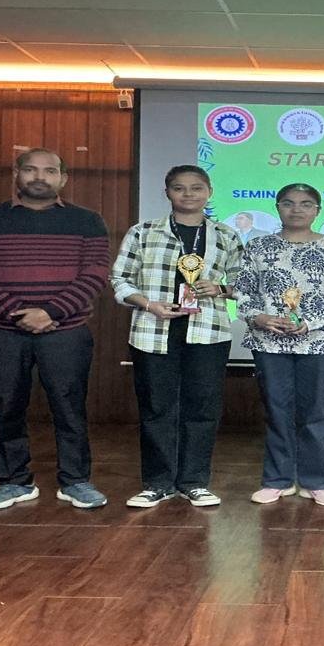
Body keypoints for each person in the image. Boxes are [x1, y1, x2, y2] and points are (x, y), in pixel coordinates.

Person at [0, 148, 110, 510]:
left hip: (67, 330)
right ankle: (14, 482)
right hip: (3, 331)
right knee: (7, 406)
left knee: (69, 407)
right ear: (17, 174)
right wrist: (19, 314)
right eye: (30, 170)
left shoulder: (87, 221)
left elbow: (95, 274)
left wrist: (51, 312)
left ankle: (75, 481)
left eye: (49, 171)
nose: (39, 177)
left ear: (63, 178)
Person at [110, 165, 243, 508]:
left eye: (196, 188)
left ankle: (194, 482)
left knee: (202, 408)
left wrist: (220, 288)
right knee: (156, 408)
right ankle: (157, 483)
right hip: (152, 331)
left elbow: (245, 284)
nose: (188, 194)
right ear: (167, 192)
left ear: (209, 192)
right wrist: (148, 304)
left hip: (208, 332)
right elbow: (119, 279)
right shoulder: (143, 232)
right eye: (179, 188)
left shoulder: (226, 235)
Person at [234, 183, 324, 507]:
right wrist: (259, 317)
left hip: (319, 342)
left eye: (305, 203)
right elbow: (243, 291)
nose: (296, 209)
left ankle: (316, 482)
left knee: (314, 413)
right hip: (270, 343)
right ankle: (278, 480)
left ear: (317, 210)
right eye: (288, 203)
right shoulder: (258, 246)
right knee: (277, 411)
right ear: (277, 207)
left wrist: (309, 322)